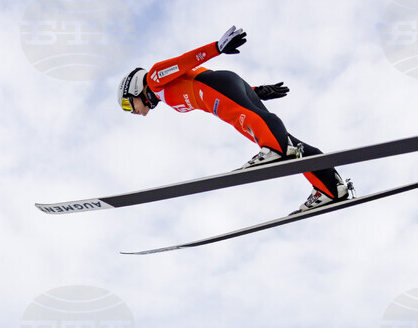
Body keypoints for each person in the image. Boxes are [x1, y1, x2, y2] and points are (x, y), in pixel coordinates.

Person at [117, 26, 351, 214]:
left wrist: (217, 48)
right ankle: (330, 187)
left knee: (257, 127)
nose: (133, 112)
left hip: (217, 88)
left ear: (135, 87)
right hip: (226, 88)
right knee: (290, 144)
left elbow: (185, 62)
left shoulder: (155, 78)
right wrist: (257, 91)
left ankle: (274, 148)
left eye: (128, 104)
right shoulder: (162, 95)